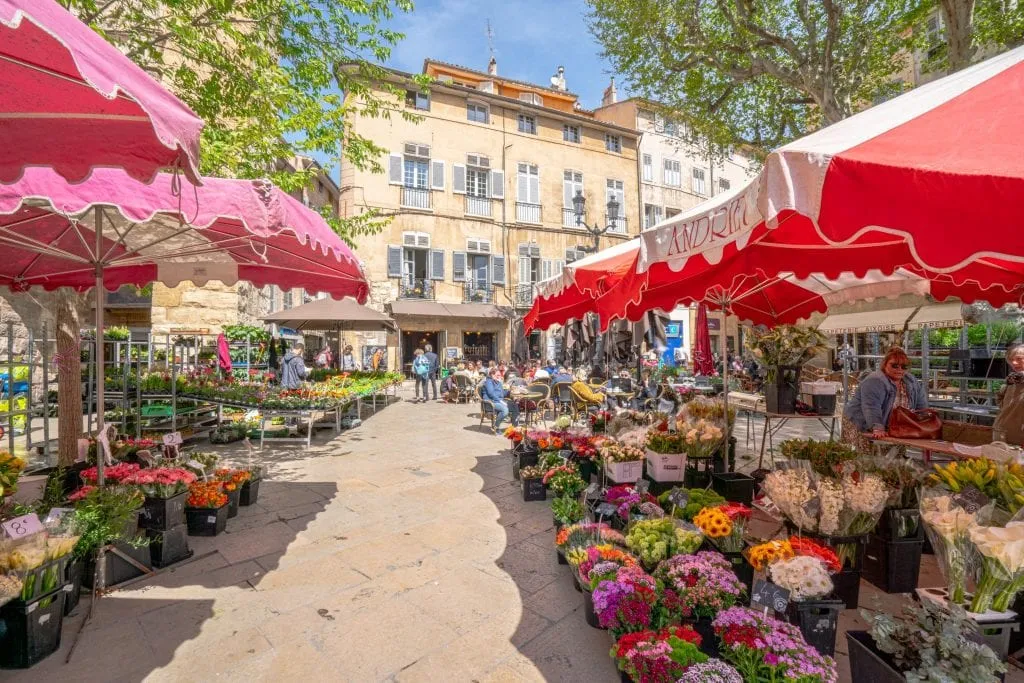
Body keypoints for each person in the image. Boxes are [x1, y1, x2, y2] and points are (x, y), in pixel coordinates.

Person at [842, 347, 928, 452]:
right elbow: (871, 406)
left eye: (904, 366)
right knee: (865, 459)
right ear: (884, 365)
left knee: (894, 461)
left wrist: (923, 422)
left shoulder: (911, 381)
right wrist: (877, 426)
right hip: (860, 423)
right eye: (894, 366)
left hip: (893, 428)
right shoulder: (875, 380)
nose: (899, 369)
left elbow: (921, 405)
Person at [994, 343, 1024, 446]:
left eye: (1019, 358)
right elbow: (1000, 399)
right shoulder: (1011, 380)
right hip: (1002, 433)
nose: (1014, 363)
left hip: (1019, 437)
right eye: (1011, 360)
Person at [482, 367, 519, 432]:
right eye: (498, 375)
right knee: (505, 410)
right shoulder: (488, 382)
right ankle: (496, 427)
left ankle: (515, 427)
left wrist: (509, 392)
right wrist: (501, 401)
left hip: (498, 401)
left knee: (515, 405)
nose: (500, 376)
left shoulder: (498, 382)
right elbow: (491, 394)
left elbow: (502, 394)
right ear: (492, 375)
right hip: (490, 402)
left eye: (500, 375)